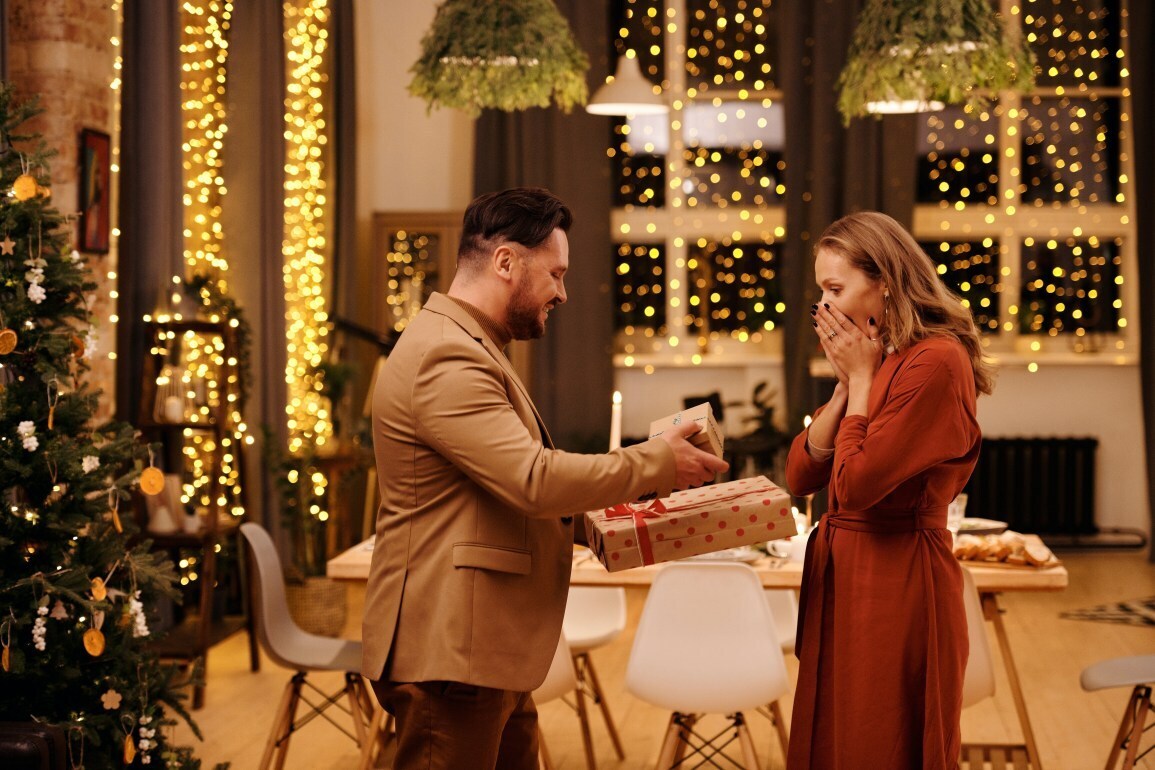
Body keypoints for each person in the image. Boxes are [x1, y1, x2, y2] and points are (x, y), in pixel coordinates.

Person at [362, 187, 728, 770]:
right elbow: (531, 480)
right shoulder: (446, 355)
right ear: (506, 261)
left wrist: (609, 526)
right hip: (451, 650)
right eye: (555, 273)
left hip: (485, 648)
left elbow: (494, 492)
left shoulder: (470, 344)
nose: (563, 292)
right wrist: (657, 460)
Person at [785, 211, 992, 769]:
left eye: (835, 289)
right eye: (821, 291)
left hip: (897, 580)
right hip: (843, 573)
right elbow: (801, 476)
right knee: (832, 742)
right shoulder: (878, 356)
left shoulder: (937, 361)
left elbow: (854, 486)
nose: (824, 307)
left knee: (882, 742)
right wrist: (845, 388)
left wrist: (858, 381)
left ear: (885, 281)